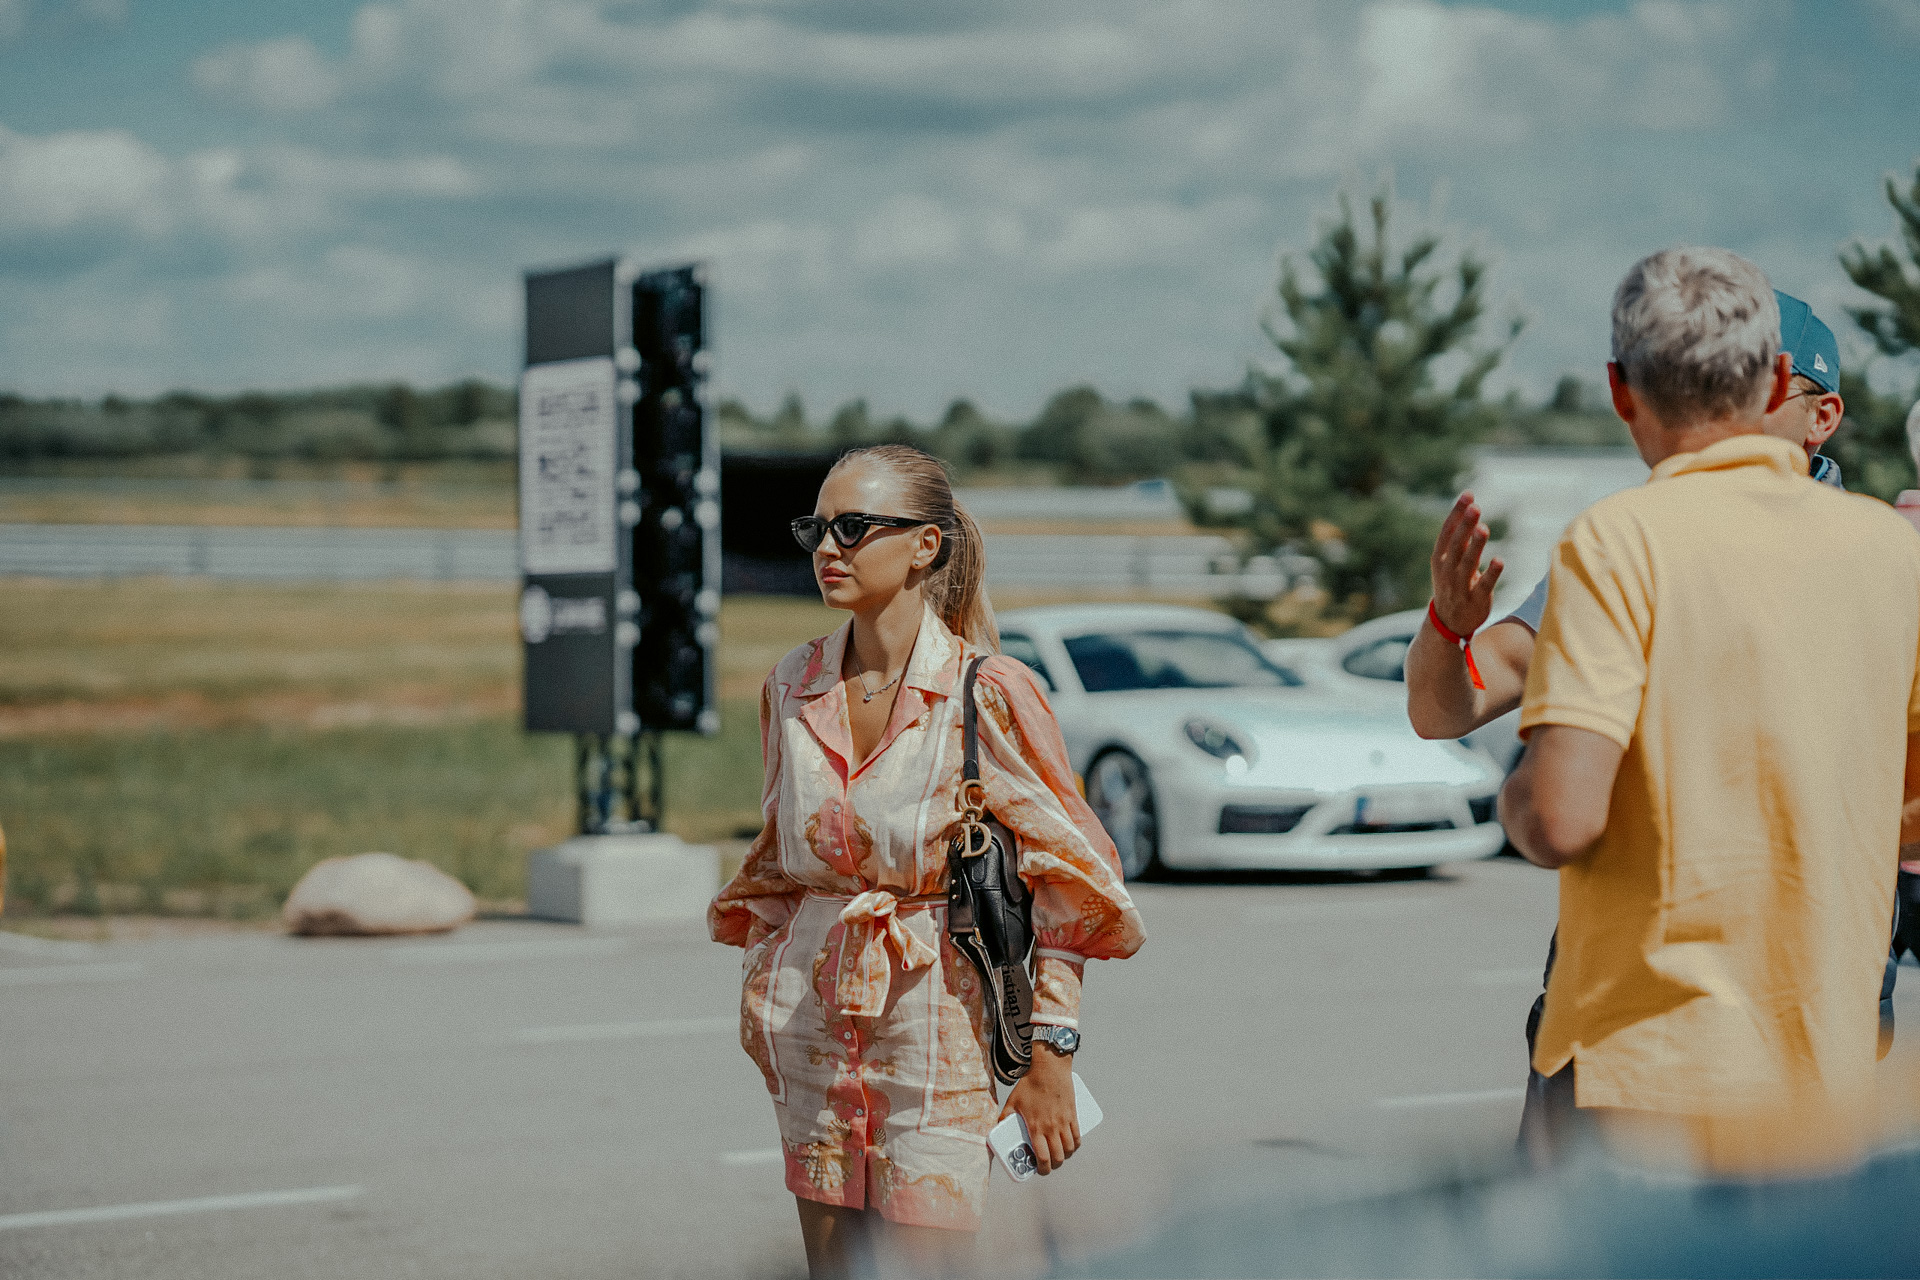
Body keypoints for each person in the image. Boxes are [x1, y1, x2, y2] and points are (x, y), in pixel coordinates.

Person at [1407, 289, 1856, 1167]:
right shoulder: (1624, 551)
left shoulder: (1880, 564)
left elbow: (1553, 815)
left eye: (1752, 388)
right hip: (1622, 1006)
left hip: (1796, 1009)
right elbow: (1444, 708)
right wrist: (1447, 629)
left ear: (1822, 418)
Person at [1498, 247, 1920, 1176]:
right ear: (1774, 378)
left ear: (1621, 391)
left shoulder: (1619, 540)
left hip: (1645, 1058)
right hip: (1822, 1063)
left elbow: (1561, 818)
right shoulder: (1894, 552)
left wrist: (1517, 796)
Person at [709, 444, 1145, 1278]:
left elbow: (1071, 880)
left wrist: (1050, 1053)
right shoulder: (789, 684)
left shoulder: (991, 690)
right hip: (810, 1024)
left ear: (925, 545)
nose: (827, 548)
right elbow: (775, 864)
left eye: (852, 527)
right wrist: (767, 980)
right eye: (815, 528)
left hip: (939, 1028)